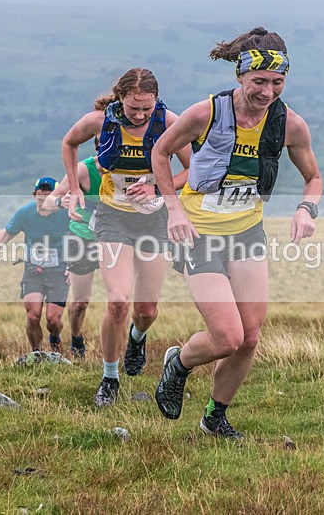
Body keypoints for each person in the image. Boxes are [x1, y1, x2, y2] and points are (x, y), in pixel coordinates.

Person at [151, 27, 323, 439]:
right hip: (198, 233)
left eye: (277, 82)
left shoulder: (290, 125)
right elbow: (160, 152)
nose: (268, 92)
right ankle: (179, 362)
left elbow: (313, 177)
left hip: (246, 234)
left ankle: (214, 417)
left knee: (249, 338)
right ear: (240, 77)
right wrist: (173, 208)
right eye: (259, 82)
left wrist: (306, 208)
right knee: (226, 336)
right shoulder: (205, 113)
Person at [62, 68, 191, 407]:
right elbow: (69, 142)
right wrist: (74, 188)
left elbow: (194, 169)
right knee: (118, 300)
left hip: (153, 221)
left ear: (156, 100)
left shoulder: (170, 122)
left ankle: (138, 337)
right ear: (120, 98)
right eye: (133, 108)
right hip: (112, 218)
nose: (139, 114)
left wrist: (157, 186)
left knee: (146, 310)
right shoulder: (99, 120)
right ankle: (109, 377)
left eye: (146, 108)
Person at [0, 177, 71, 353]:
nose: (44, 203)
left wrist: (74, 264)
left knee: (53, 320)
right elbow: (5, 235)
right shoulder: (24, 213)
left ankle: (55, 339)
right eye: (40, 198)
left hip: (59, 272)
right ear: (34, 195)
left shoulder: (66, 213)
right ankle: (37, 354)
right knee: (33, 315)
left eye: (49, 198)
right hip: (34, 271)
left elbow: (80, 237)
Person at [38, 153, 104, 359]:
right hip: (83, 238)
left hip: (117, 238)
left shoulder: (133, 167)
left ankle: (118, 357)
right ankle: (76, 336)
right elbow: (46, 203)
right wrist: (61, 202)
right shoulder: (84, 170)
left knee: (120, 300)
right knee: (80, 303)